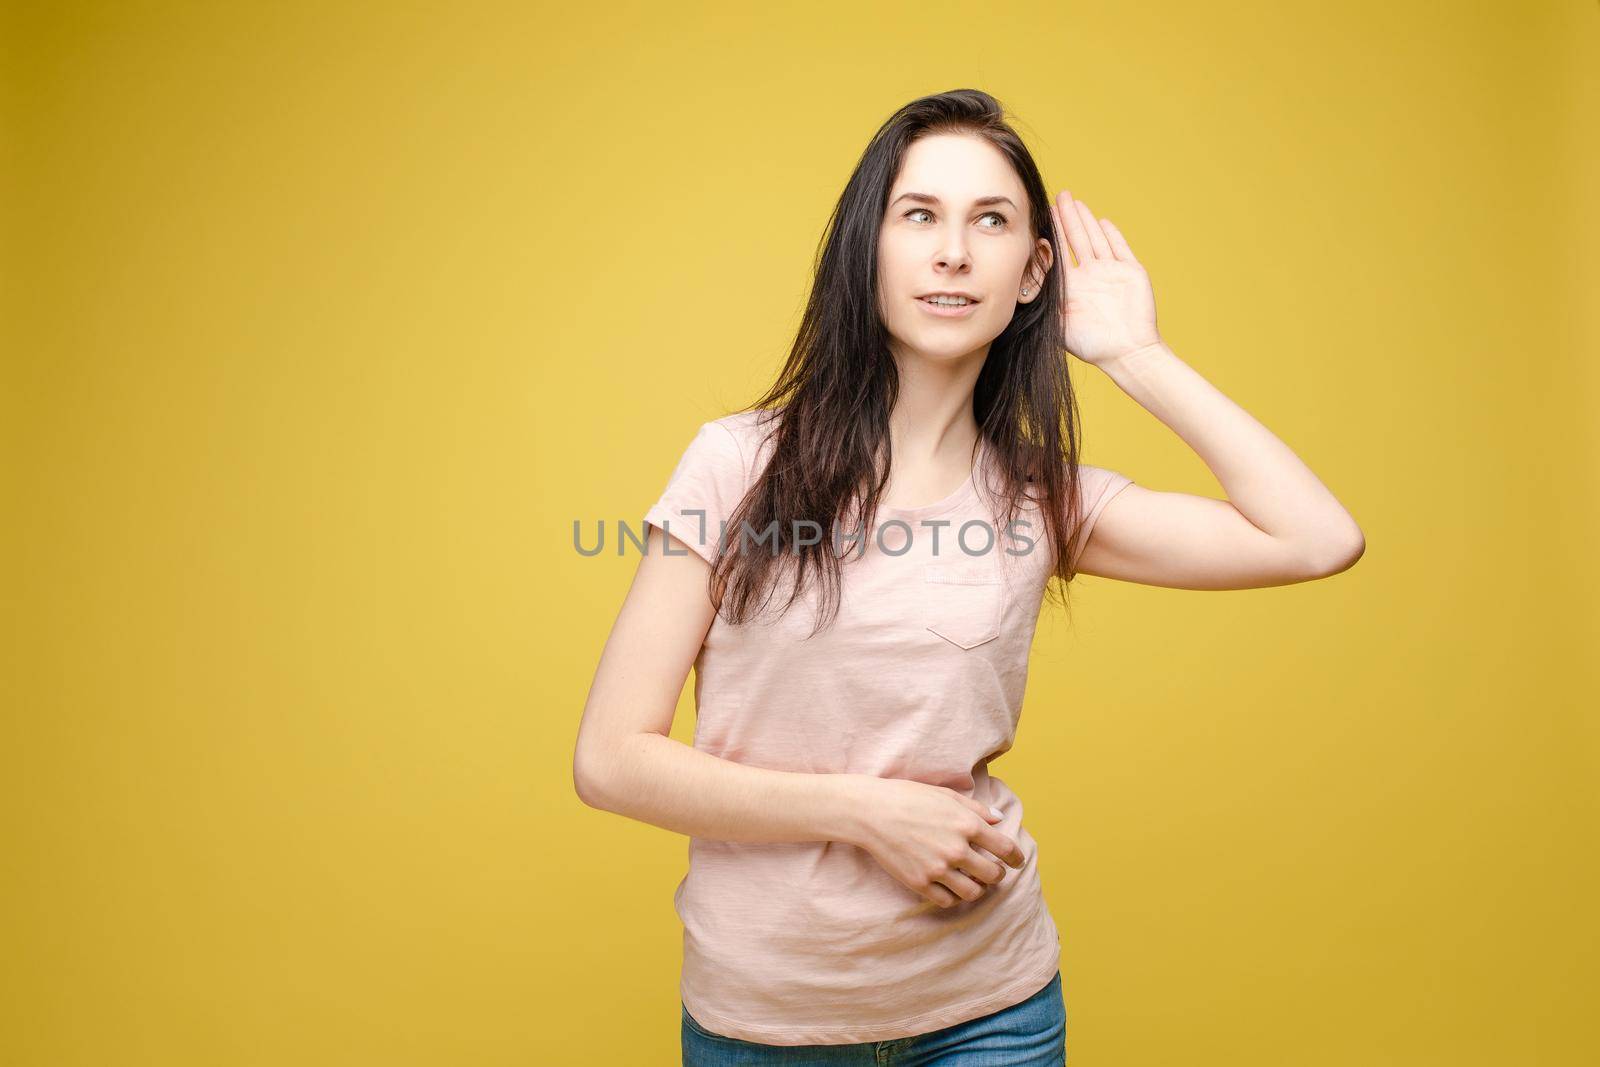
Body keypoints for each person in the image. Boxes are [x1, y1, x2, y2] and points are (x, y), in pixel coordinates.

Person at [573, 88, 1364, 1065]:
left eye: (990, 221)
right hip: (765, 1022)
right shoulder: (736, 465)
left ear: (1034, 272)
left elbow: (1317, 538)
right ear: (868, 248)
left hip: (995, 1011)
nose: (953, 251)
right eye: (920, 216)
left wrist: (1137, 355)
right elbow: (610, 756)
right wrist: (866, 812)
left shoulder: (1042, 496)